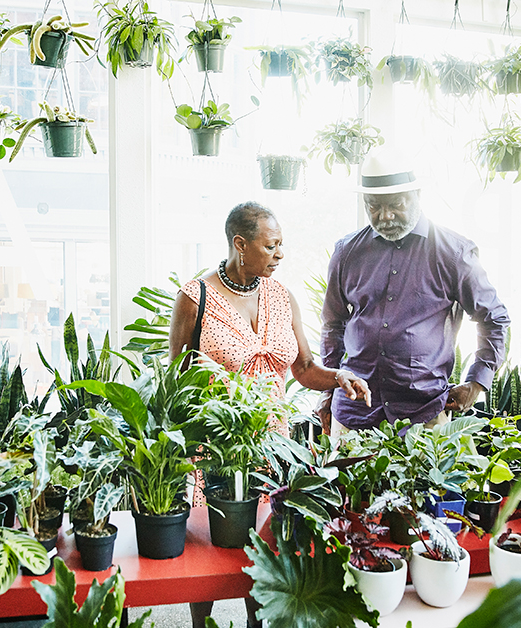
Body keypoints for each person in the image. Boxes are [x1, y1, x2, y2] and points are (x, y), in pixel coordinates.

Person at [168, 201, 371, 628]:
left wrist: (341, 378)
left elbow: (304, 369)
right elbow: (176, 383)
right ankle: (200, 623)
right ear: (241, 245)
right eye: (271, 246)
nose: (280, 254)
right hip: (218, 449)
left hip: (271, 448)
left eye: (281, 245)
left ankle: (256, 623)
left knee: (265, 547)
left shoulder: (281, 297)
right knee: (211, 550)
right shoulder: (195, 299)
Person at [318, 150, 511, 434]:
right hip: (354, 413)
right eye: (373, 206)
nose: (385, 216)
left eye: (395, 204)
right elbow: (333, 323)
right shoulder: (347, 252)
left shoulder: (453, 252)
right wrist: (327, 387)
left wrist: (476, 383)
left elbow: (494, 319)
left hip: (424, 415)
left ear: (417, 195)